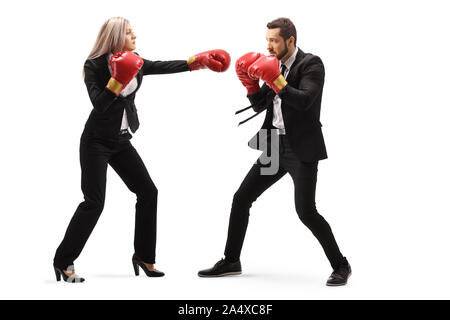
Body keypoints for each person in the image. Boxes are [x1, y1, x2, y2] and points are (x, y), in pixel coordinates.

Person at [53, 16, 230, 283]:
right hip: (96, 141)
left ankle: (144, 256)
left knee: (148, 191)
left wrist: (197, 62)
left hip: (121, 140)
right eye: (128, 32)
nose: (134, 35)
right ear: (115, 37)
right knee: (94, 202)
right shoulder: (94, 65)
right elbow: (99, 104)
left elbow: (162, 66)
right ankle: (63, 261)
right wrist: (117, 80)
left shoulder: (135, 60)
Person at [198, 18, 351, 286]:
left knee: (306, 212)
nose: (268, 46)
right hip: (272, 145)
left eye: (274, 41)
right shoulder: (273, 64)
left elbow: (304, 101)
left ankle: (341, 265)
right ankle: (231, 260)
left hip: (300, 148)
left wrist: (277, 79)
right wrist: (250, 85)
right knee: (242, 197)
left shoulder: (311, 64)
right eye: (267, 40)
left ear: (290, 41)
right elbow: (261, 105)